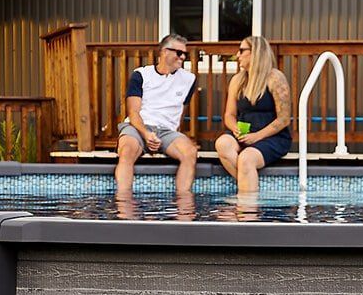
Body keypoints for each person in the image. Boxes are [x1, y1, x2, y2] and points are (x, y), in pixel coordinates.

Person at [116, 34, 200, 196]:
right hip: (138, 126)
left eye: (185, 54)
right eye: (178, 53)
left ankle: (183, 211)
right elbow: (133, 112)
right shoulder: (141, 75)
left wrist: (174, 134)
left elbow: (181, 111)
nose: (182, 57)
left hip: (166, 131)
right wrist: (146, 134)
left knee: (190, 152)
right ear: (163, 52)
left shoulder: (189, 79)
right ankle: (124, 206)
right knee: (126, 151)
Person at [215, 36, 292, 193]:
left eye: (242, 50)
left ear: (256, 53)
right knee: (222, 143)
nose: (238, 55)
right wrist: (236, 129)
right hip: (244, 134)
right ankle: (250, 187)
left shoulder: (275, 78)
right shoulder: (238, 80)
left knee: (246, 159)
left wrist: (257, 136)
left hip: (272, 137)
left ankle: (246, 211)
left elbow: (284, 119)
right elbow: (229, 115)